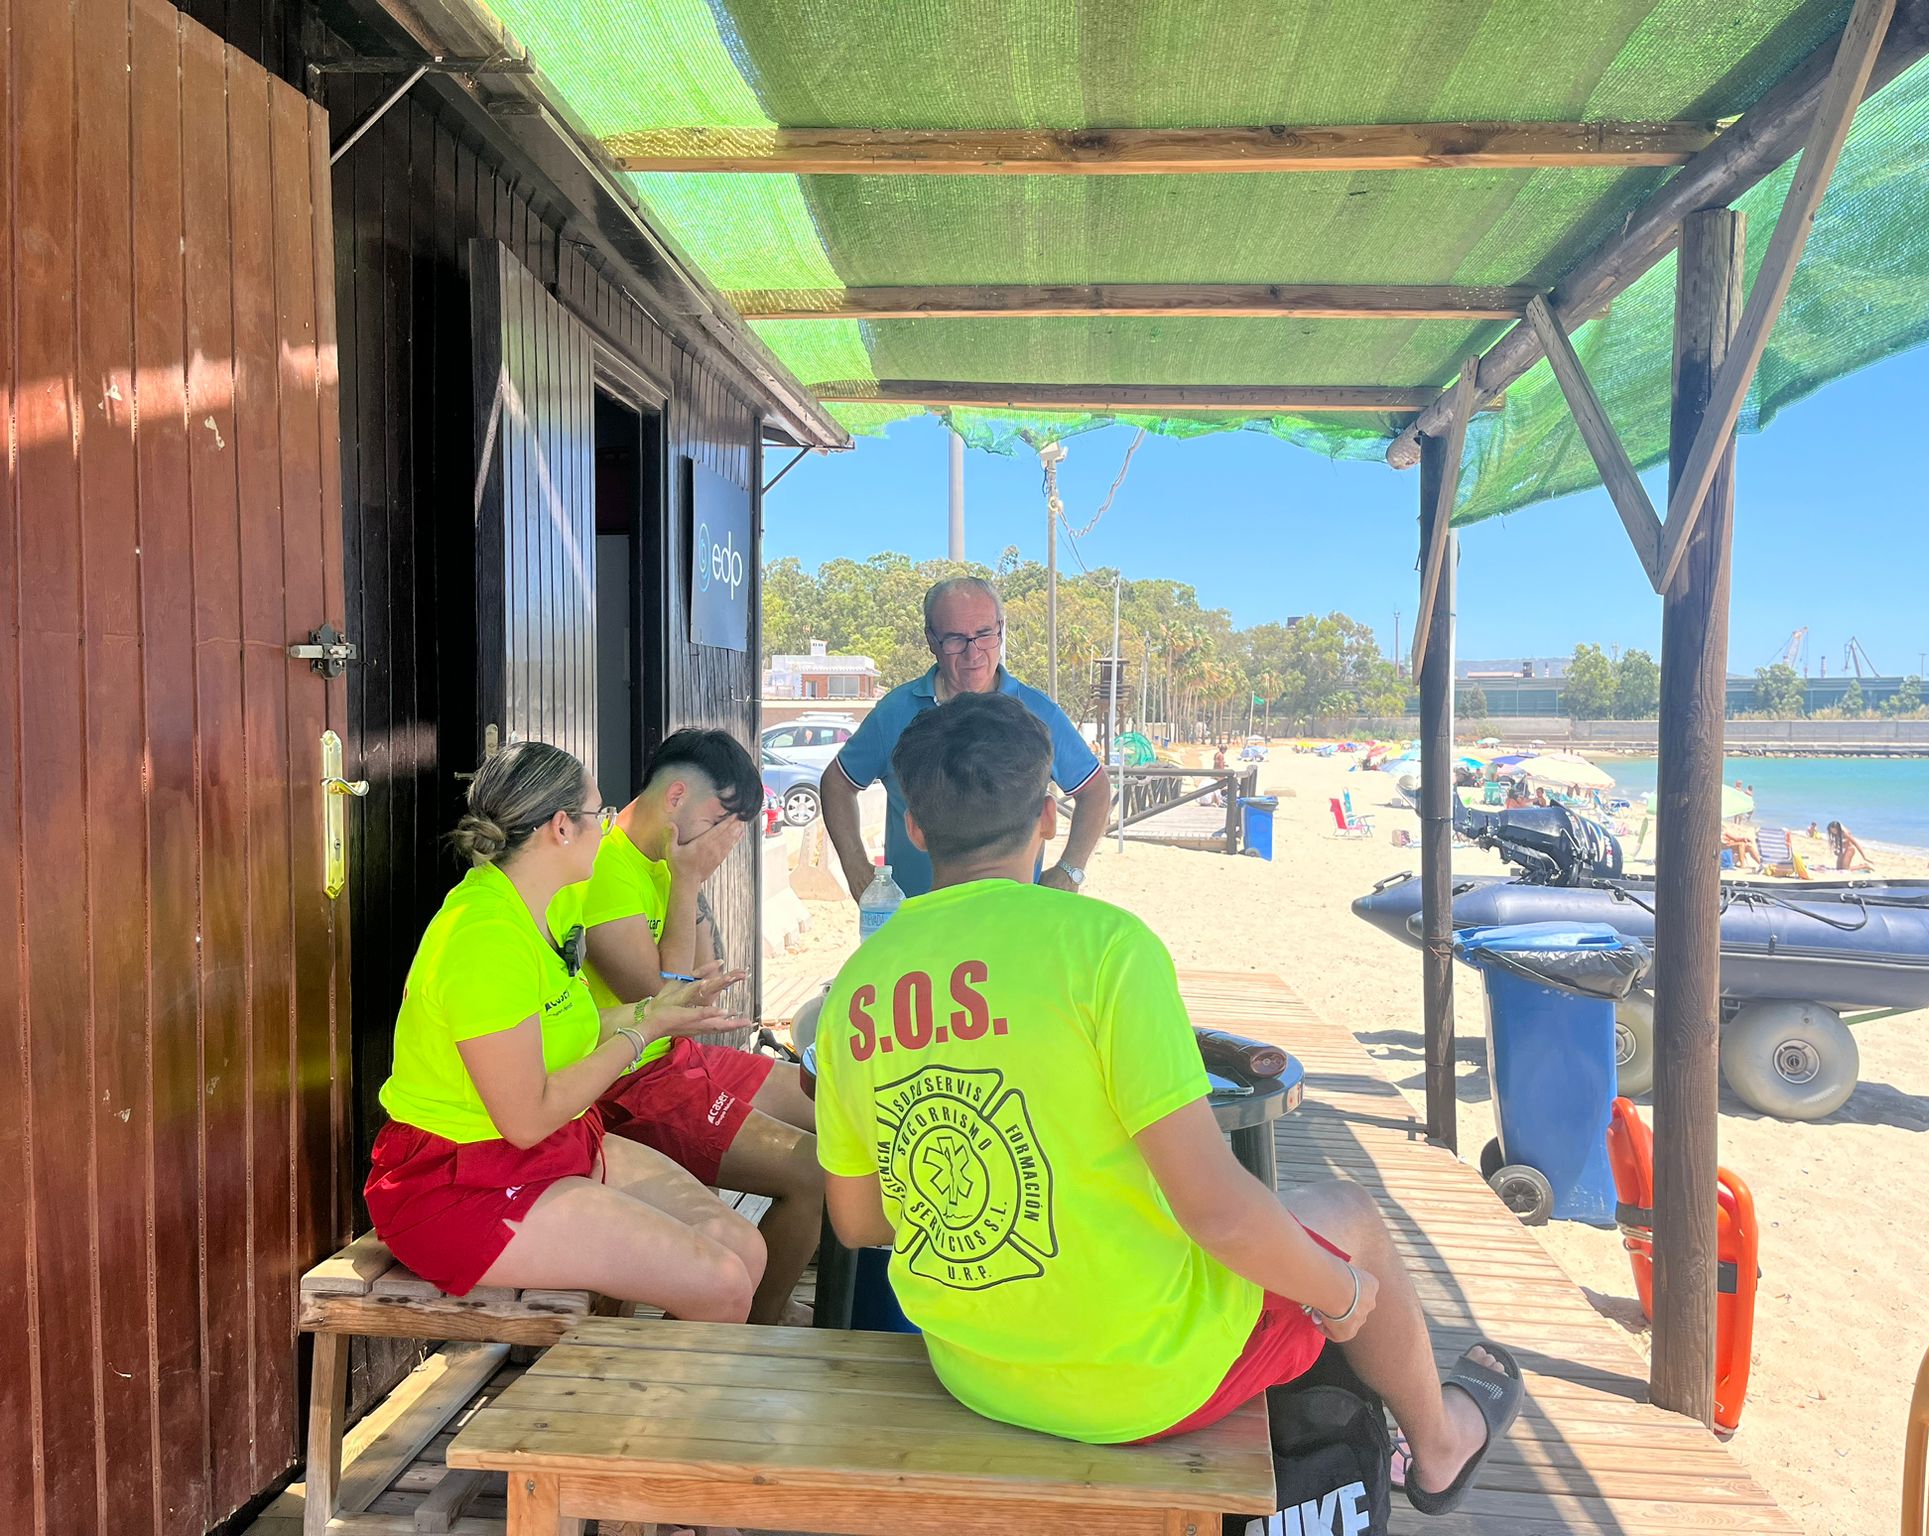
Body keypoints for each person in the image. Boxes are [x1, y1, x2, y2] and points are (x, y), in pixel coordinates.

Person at [813, 693, 1523, 1512]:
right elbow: (1218, 1215)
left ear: (917, 831)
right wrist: (1346, 1293)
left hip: (973, 1366)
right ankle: (1439, 1448)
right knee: (1353, 1220)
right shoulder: (1105, 949)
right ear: (1048, 816)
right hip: (1143, 1385)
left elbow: (860, 1222)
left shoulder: (857, 990)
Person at [365, 741, 764, 1318]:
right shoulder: (485, 938)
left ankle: (655, 1399)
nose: (608, 828)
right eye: (597, 815)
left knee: (742, 1246)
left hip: (554, 1148)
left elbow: (562, 1027)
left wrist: (655, 1012)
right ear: (560, 827)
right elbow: (525, 1120)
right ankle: (650, 1407)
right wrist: (640, 1033)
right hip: (457, 1184)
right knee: (721, 1282)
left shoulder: (540, 904)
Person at [551, 727, 820, 1325]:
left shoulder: (659, 862)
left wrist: (686, 883)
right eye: (723, 819)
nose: (729, 839)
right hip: (627, 1079)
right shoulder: (607, 870)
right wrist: (690, 879)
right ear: (676, 797)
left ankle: (768, 1302)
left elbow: (696, 976)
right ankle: (759, 1329)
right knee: (812, 1171)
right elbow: (658, 1001)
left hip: (673, 1060)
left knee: (831, 1104)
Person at [820, 576, 1110, 899]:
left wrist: (1071, 870)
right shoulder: (893, 712)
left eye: (985, 635)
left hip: (1014, 924)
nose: (974, 654)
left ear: (1001, 629)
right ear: (931, 640)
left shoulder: (1039, 712)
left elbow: (1095, 789)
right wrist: (856, 869)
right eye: (956, 639)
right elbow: (837, 783)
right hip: (919, 925)